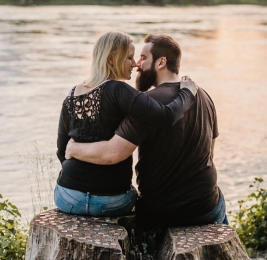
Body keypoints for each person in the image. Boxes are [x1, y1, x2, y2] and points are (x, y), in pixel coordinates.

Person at [66, 33, 225, 228]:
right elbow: (210, 152)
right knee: (220, 201)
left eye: (143, 58)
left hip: (160, 211)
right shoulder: (203, 95)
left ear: (161, 62)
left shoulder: (146, 104)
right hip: (206, 206)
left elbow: (112, 153)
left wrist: (73, 149)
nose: (137, 64)